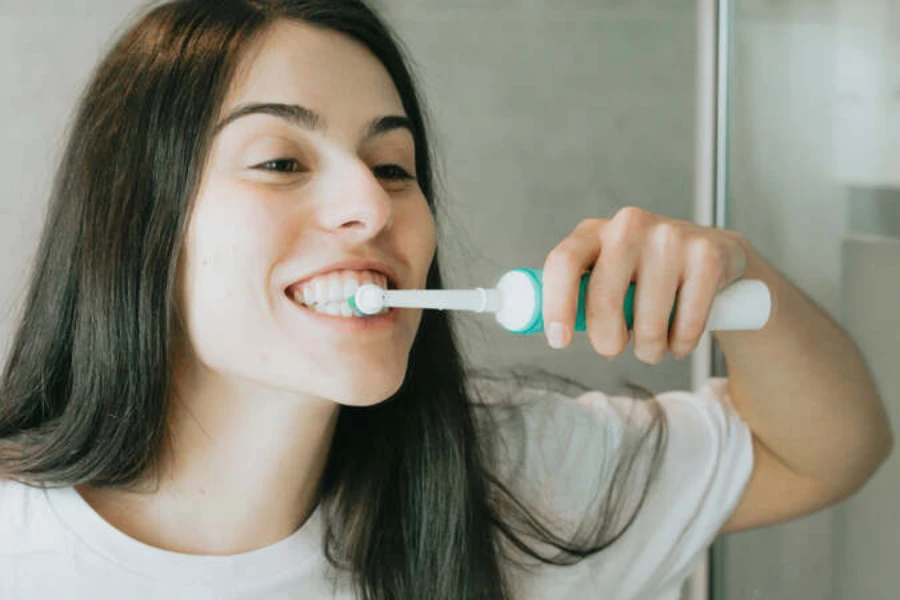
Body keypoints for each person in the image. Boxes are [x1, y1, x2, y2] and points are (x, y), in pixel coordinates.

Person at [0, 1, 892, 599]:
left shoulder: (507, 480)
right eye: (281, 161)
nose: (372, 204)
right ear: (136, 219)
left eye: (395, 167)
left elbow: (828, 452)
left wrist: (741, 276)